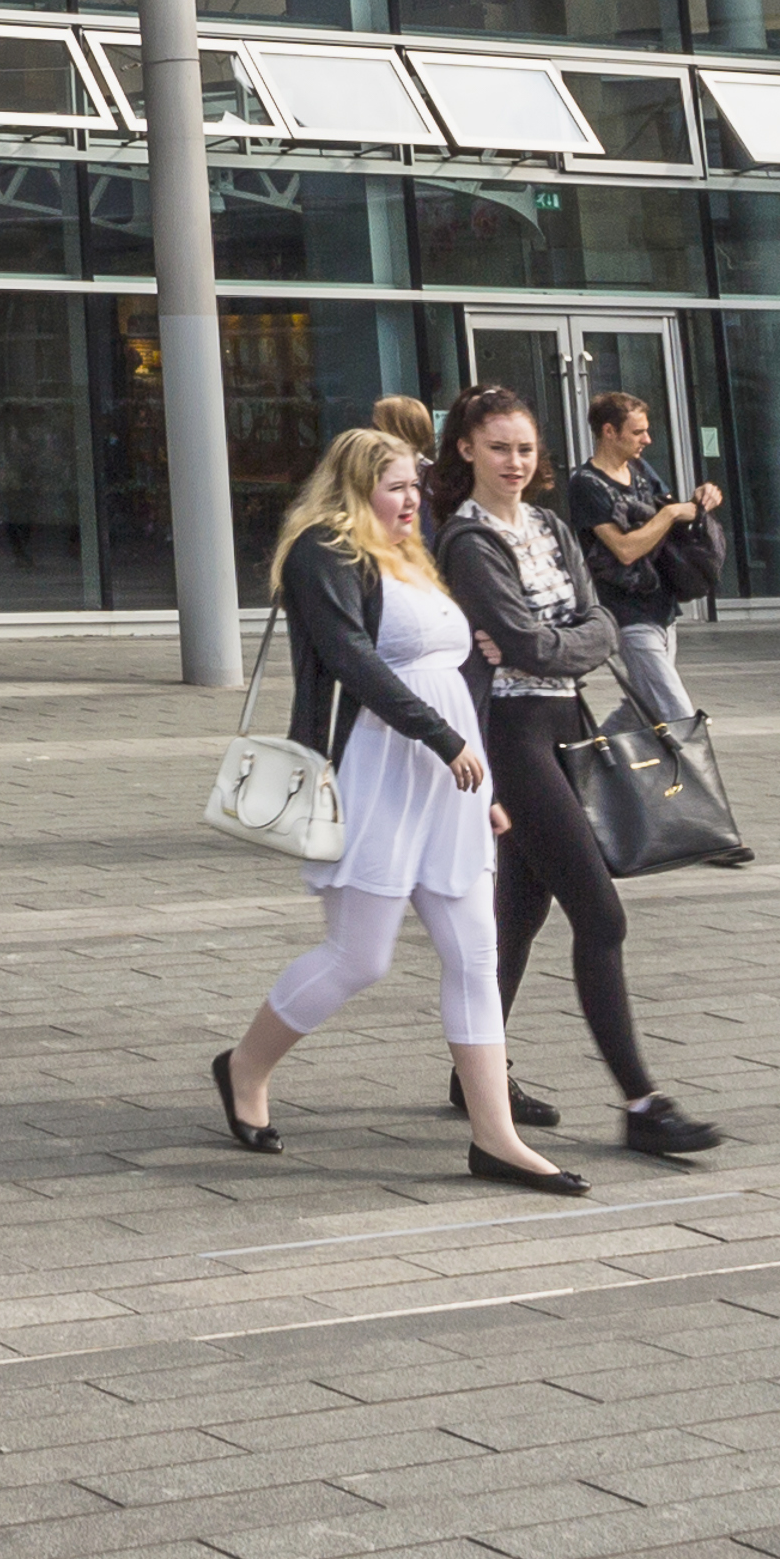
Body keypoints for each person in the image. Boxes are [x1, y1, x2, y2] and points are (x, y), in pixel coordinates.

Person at [206, 424, 579, 1196]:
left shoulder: (413, 553)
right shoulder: (323, 552)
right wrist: (442, 738)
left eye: (416, 485)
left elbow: (451, 670)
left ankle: (495, 1138)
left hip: (450, 781)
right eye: (396, 487)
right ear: (355, 487)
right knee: (359, 957)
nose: (413, 500)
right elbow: (352, 659)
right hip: (376, 769)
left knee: (475, 955)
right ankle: (244, 1067)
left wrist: (484, 781)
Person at [438, 388, 718, 1165]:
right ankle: (641, 1103)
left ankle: (474, 1074)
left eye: (526, 449)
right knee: (600, 916)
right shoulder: (468, 539)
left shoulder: (551, 525)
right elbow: (533, 643)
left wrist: (558, 641)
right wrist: (564, 641)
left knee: (519, 915)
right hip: (511, 737)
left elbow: (599, 625)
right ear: (466, 450)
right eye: (499, 448)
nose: (515, 462)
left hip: (567, 723)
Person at [565, 391, 722, 733]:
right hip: (627, 613)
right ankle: (695, 766)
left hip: (663, 607)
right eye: (637, 432)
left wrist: (698, 500)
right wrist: (670, 514)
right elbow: (624, 550)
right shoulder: (586, 484)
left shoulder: (639, 469)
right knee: (677, 713)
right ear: (609, 432)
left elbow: (671, 515)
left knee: (644, 706)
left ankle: (595, 759)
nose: (647, 440)